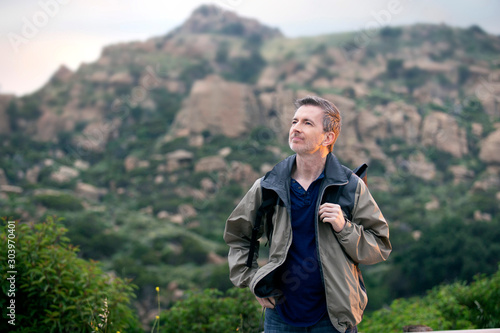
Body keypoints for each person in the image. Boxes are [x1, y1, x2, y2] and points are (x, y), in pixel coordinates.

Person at [223, 96, 391, 332]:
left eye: (307, 123)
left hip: (333, 319)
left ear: (328, 137)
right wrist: (252, 281)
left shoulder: (350, 186)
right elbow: (237, 235)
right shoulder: (269, 185)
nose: (296, 128)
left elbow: (380, 245)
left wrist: (345, 228)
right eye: (294, 121)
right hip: (280, 317)